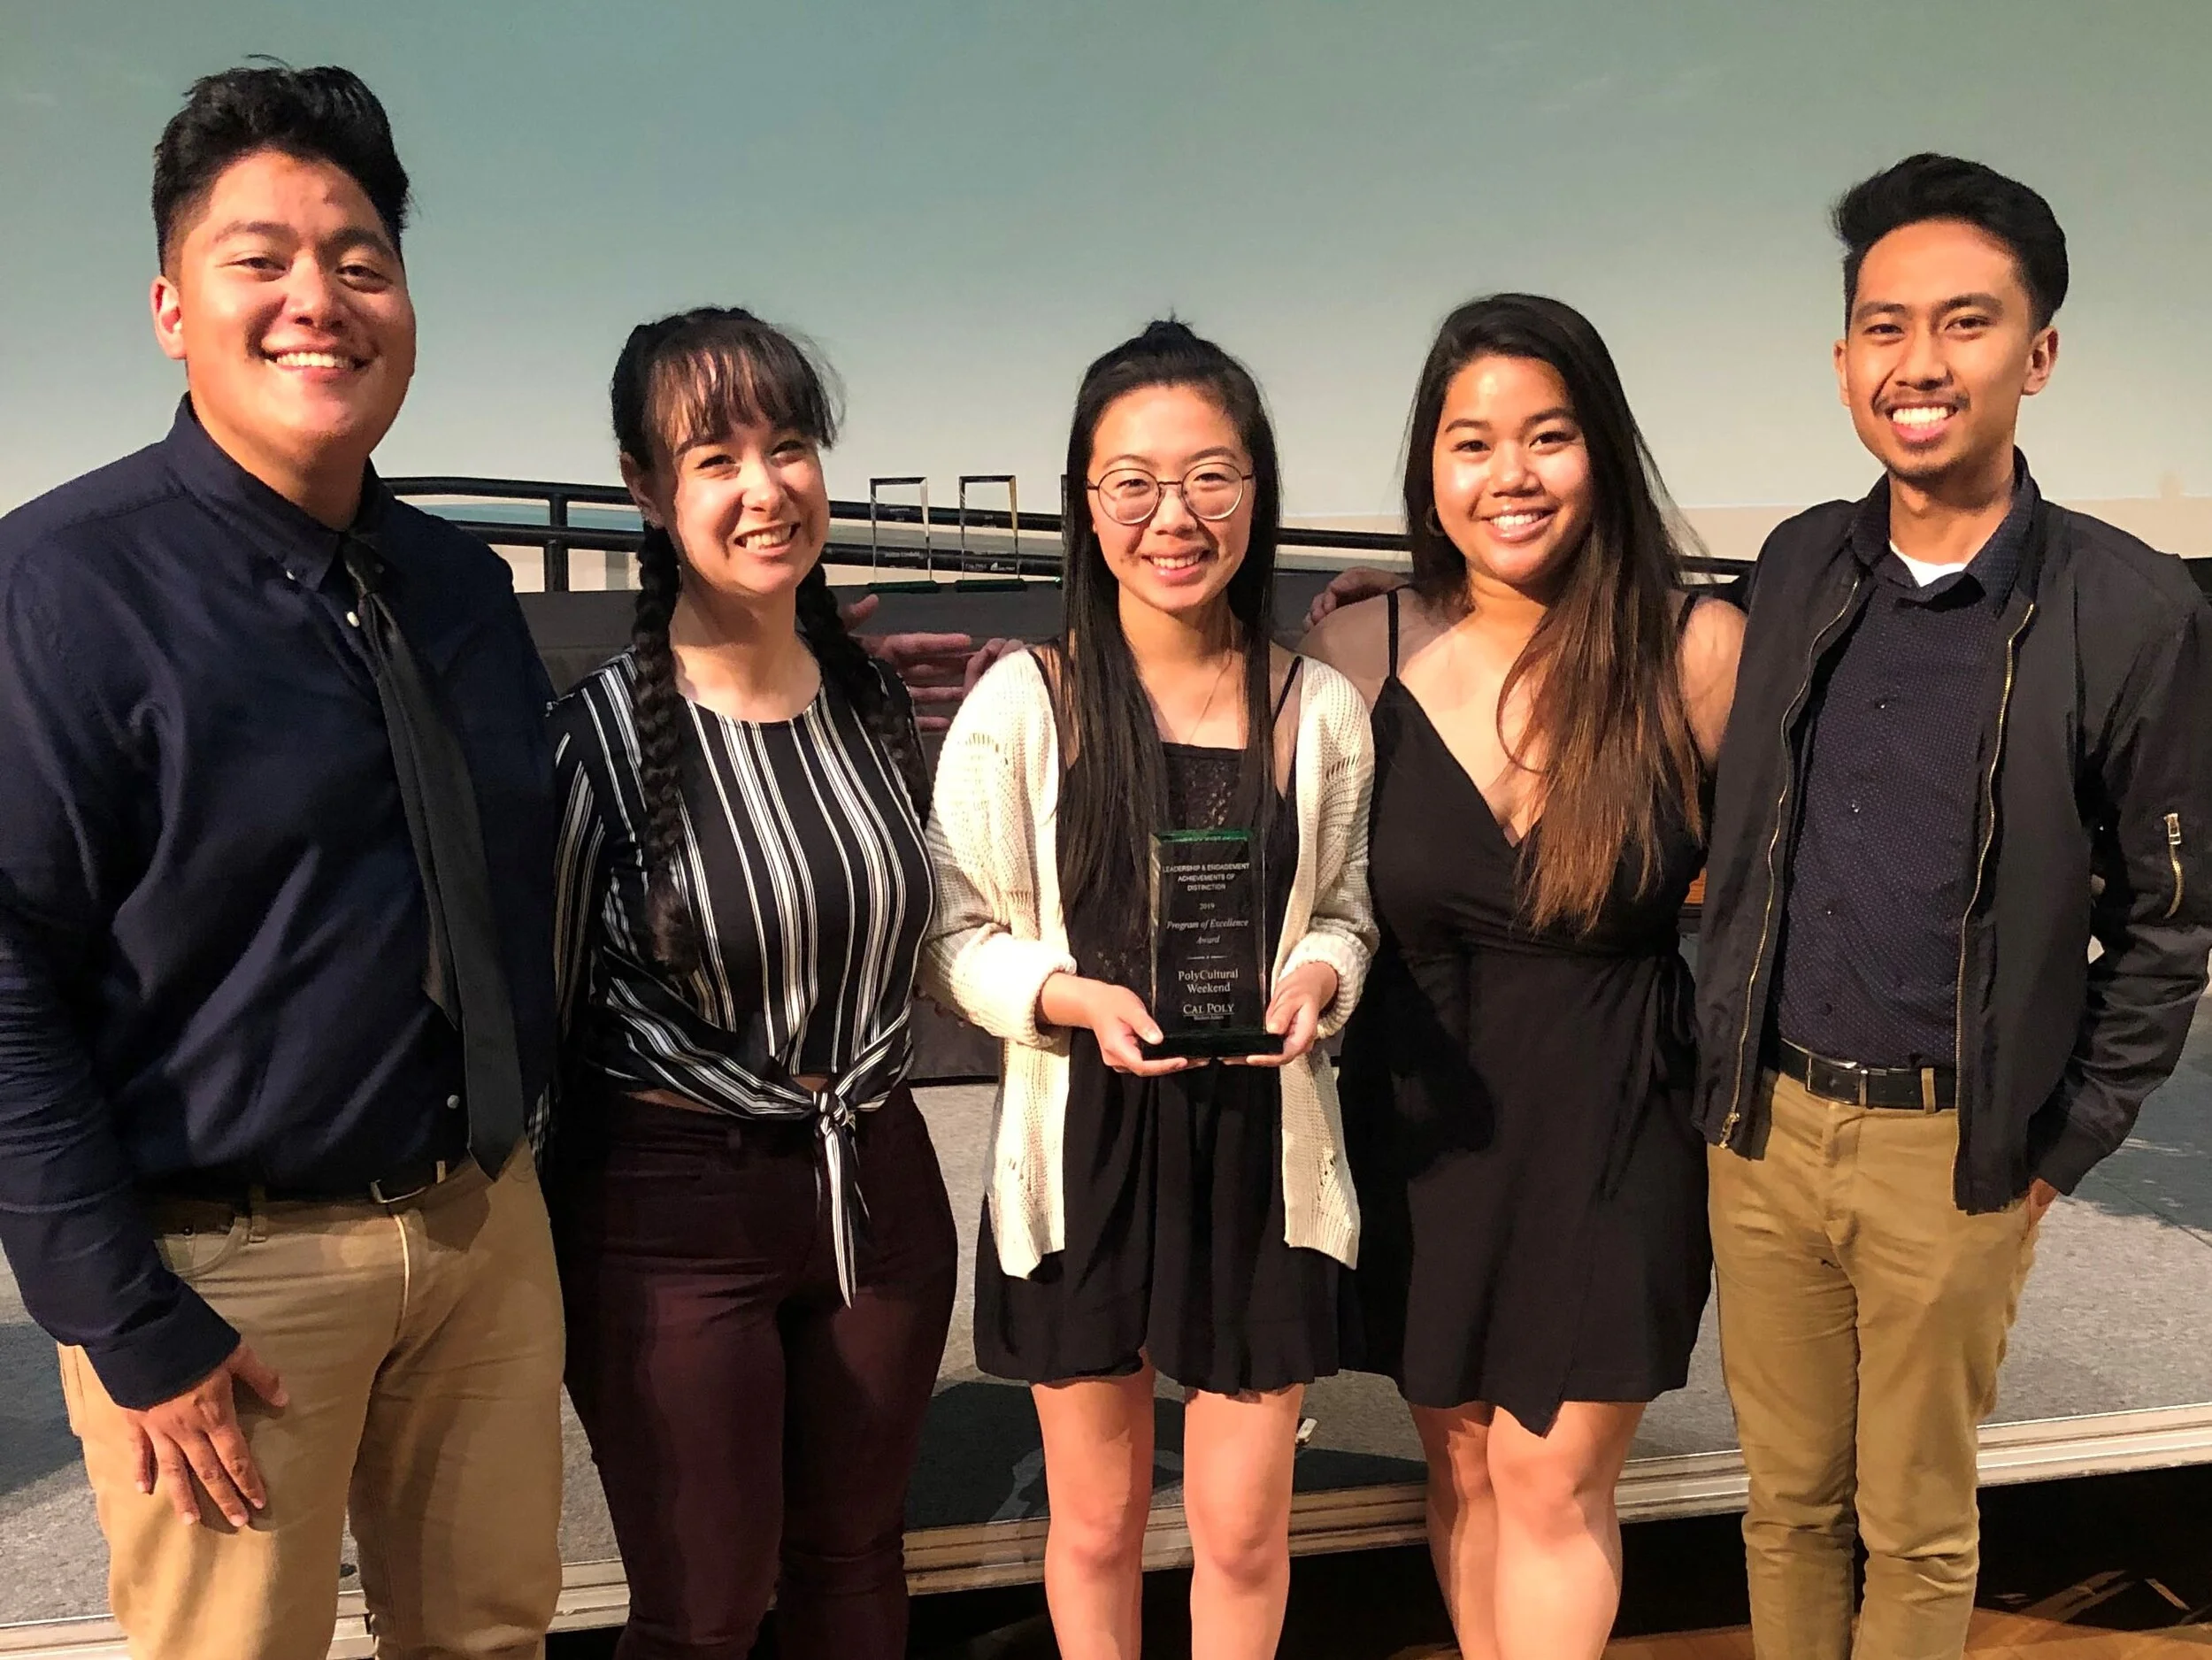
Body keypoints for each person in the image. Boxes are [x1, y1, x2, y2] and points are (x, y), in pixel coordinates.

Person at [0, 65, 565, 1659]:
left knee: (493, 1638)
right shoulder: (61, 591)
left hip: (479, 1233)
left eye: (360, 260)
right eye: (261, 260)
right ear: (171, 309)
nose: (319, 298)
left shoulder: (456, 588)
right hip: (223, 1275)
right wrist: (128, 1322)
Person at [1691, 154, 2212, 1659]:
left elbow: (2171, 924)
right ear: (1844, 358)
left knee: (1916, 1526)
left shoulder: (2133, 609)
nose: (1918, 363)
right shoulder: (1801, 562)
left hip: (1957, 1152)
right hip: (1767, 1132)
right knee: (1785, 1505)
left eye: (1965, 323)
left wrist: (2060, 1150)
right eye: (1885, 326)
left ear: (2036, 356)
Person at [924, 319, 1376, 1660]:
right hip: (1083, 1147)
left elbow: (1349, 910)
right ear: (1086, 501)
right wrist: (1068, 997)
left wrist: (1322, 972)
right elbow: (950, 934)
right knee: (1095, 1526)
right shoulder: (1024, 703)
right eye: (1133, 482)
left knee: (1242, 1535)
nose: (1173, 517)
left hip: (1262, 1149)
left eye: (1209, 477)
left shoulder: (1319, 708)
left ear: (1256, 490)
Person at [1303, 294, 1742, 1660]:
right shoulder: (1357, 652)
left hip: (1617, 1122)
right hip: (1420, 1126)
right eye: (1472, 442)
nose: (1511, 474)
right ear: (1429, 468)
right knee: (1465, 1466)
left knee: (1552, 1479)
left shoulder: (1696, 650)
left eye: (1548, 436)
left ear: (1602, 448)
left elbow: (1777, 904)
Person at [546, 308, 958, 1660]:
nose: (765, 488)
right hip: (668, 1210)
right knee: (703, 1610)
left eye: (788, 447)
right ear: (644, 489)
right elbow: (549, 1023)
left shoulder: (876, 708)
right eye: (715, 458)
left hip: (878, 1182)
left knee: (857, 1565)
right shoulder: (596, 740)